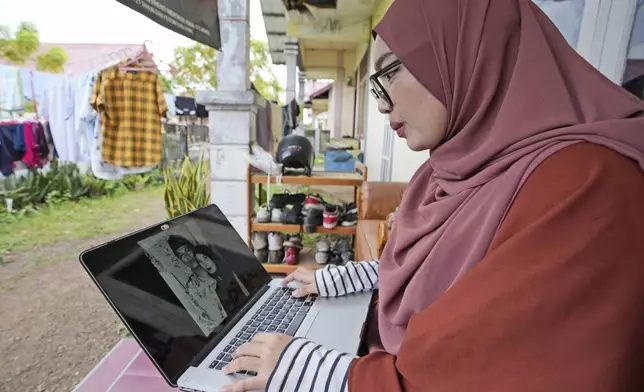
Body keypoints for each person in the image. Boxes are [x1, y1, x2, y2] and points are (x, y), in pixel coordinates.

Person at [221, 0, 644, 391]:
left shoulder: (589, 186)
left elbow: (482, 373)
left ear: (468, 54)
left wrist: (305, 369)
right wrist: (343, 279)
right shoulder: (445, 172)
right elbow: (454, 274)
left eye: (390, 71)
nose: (383, 104)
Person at [167, 235, 228, 333]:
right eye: (181, 255)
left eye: (187, 250)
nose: (187, 256)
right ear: (181, 261)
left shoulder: (217, 267)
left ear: (194, 250)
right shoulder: (192, 287)